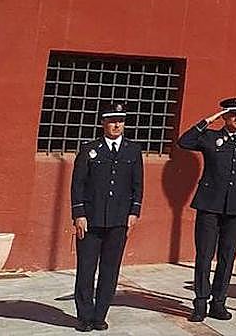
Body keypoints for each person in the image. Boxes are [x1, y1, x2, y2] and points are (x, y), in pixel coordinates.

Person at [176, 97, 236, 322]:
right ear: (224, 115)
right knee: (204, 255)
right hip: (209, 205)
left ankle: (218, 302)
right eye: (232, 113)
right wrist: (209, 120)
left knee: (227, 257)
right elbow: (184, 141)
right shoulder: (211, 138)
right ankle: (200, 303)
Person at [70, 102, 143, 333]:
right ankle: (84, 316)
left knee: (110, 270)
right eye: (112, 121)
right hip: (91, 219)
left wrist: (134, 212)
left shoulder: (133, 150)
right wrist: (79, 214)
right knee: (86, 269)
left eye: (120, 121)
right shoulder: (90, 149)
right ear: (103, 123)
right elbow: (77, 184)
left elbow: (137, 185)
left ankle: (100, 315)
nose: (116, 125)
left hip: (118, 220)